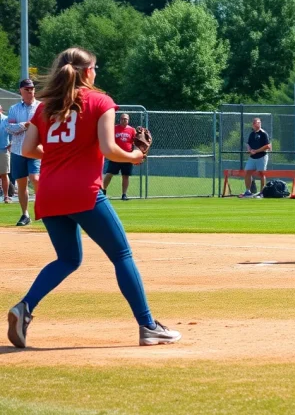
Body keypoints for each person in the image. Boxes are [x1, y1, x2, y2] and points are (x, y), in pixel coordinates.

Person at [7, 47, 181, 348]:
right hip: (83, 191)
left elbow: (27, 150)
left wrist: (61, 154)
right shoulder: (100, 101)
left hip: (49, 192)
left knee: (67, 259)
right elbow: (109, 148)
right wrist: (136, 155)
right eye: (95, 68)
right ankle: (148, 326)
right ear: (87, 72)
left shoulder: (45, 107)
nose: (96, 72)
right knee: (121, 255)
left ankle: (24, 307)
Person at [7, 79, 41, 226]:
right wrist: (25, 125)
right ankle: (25, 214)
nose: (30, 91)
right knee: (21, 184)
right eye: (27, 89)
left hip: (35, 149)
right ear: (20, 90)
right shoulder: (14, 109)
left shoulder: (40, 107)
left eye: (32, 88)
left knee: (36, 178)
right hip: (17, 150)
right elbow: (9, 127)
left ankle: (44, 209)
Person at [102, 113, 136, 200]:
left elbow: (135, 142)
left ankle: (124, 194)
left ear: (128, 120)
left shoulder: (132, 130)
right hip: (116, 156)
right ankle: (103, 191)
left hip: (127, 155)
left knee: (125, 176)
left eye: (126, 119)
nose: (124, 120)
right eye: (123, 119)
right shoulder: (114, 128)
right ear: (120, 120)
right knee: (109, 174)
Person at [240, 117, 271, 198]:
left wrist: (256, 151)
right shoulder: (252, 134)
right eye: (255, 123)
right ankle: (248, 191)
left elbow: (267, 146)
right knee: (247, 172)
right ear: (253, 124)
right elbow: (248, 144)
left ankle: (262, 192)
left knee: (261, 174)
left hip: (262, 156)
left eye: (258, 122)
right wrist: (249, 150)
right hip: (252, 157)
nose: (257, 124)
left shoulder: (263, 133)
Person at [0, 104, 10, 203]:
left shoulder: (6, 120)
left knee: (4, 174)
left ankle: (6, 196)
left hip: (3, 149)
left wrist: (12, 143)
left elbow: (13, 132)